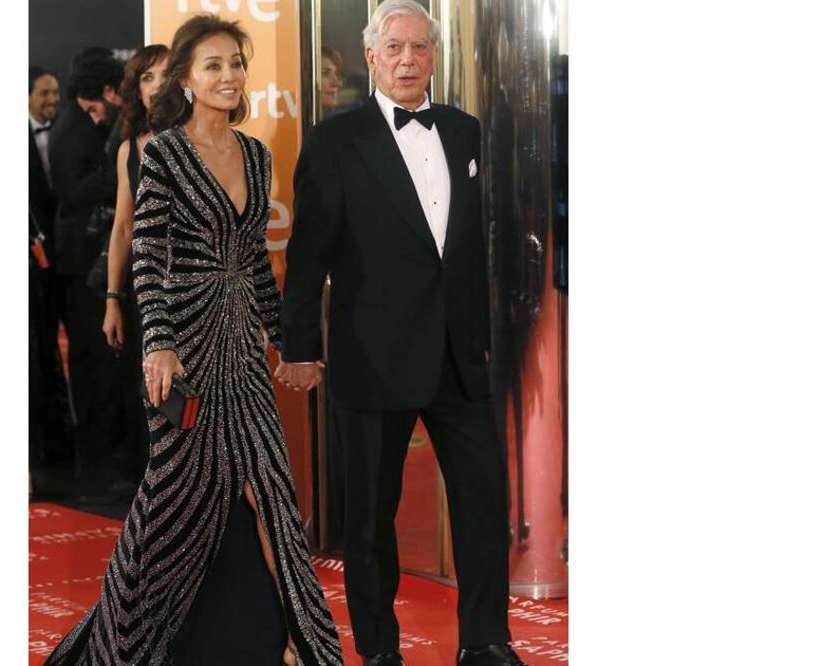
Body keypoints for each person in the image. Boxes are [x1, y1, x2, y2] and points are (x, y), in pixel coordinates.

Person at [44, 15, 342, 666]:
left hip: (239, 348)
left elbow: (256, 260)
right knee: (175, 499)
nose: (229, 75)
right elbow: (148, 253)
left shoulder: (257, 155)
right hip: (183, 346)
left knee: (268, 486)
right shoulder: (164, 153)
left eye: (236, 62)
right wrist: (157, 344)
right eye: (213, 65)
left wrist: (289, 344)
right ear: (185, 77)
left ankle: (296, 638)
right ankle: (123, 639)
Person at [277, 2, 526, 665]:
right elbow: (308, 254)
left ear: (434, 56)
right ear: (371, 56)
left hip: (458, 356)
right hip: (373, 355)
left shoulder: (465, 131)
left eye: (420, 47)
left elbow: (482, 241)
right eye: (395, 48)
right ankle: (380, 651)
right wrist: (298, 345)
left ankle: (485, 640)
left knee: (481, 504)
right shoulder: (335, 140)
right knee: (367, 522)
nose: (408, 59)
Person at [48, 53, 135, 502]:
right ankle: (97, 471)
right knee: (91, 365)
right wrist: (118, 178)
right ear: (106, 89)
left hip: (88, 263)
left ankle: (106, 465)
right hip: (82, 267)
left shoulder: (88, 126)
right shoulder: (72, 131)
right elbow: (72, 192)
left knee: (101, 365)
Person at [98, 43, 171, 504]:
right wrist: (111, 299)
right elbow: (122, 226)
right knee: (153, 398)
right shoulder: (129, 149)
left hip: (196, 287)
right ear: (136, 90)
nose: (157, 85)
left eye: (165, 75)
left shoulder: (203, 139)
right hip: (146, 293)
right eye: (147, 77)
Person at [29, 65, 72, 470]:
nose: (52, 101)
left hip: (55, 255)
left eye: (56, 93)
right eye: (44, 94)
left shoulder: (59, 132)